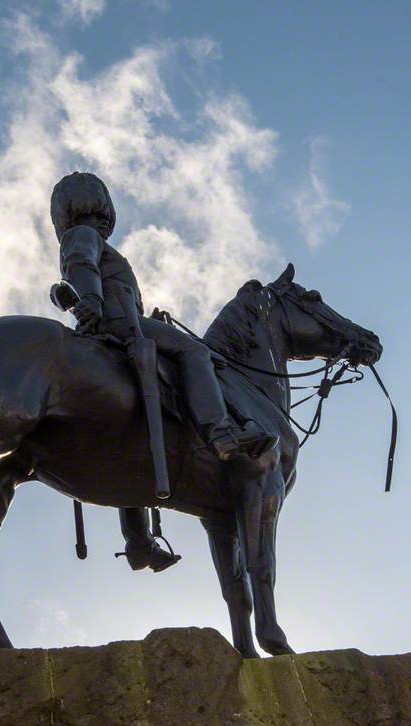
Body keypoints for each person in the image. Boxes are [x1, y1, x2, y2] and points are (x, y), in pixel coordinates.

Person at [50, 171, 279, 571]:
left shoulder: (95, 241)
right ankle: (221, 433)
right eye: (100, 207)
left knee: (135, 432)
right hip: (118, 327)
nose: (104, 216)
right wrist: (89, 299)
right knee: (193, 351)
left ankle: (139, 542)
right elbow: (80, 265)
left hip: (127, 323)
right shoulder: (85, 236)